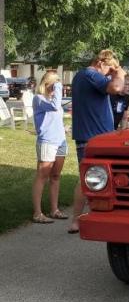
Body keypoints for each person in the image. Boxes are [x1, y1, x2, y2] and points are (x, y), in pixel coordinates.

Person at [68, 49, 125, 233]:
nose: (110, 75)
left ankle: (94, 215)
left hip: (98, 137)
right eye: (109, 70)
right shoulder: (90, 74)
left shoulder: (84, 76)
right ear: (101, 63)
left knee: (100, 178)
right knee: (86, 179)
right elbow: (116, 88)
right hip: (92, 139)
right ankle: (76, 220)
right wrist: (120, 74)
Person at [32, 71, 68, 224]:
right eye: (54, 84)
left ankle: (54, 209)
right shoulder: (39, 99)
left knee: (55, 176)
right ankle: (37, 213)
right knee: (42, 176)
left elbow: (55, 115)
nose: (56, 87)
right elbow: (54, 107)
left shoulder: (55, 99)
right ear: (46, 84)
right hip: (47, 141)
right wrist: (59, 87)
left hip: (60, 141)